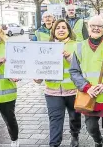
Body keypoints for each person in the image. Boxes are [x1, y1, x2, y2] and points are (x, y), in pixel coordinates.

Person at [70, 15, 103, 147]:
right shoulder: (80, 47)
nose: (96, 28)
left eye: (100, 26)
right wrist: (87, 87)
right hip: (89, 95)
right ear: (88, 27)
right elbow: (74, 71)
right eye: (93, 26)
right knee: (91, 127)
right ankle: (98, 140)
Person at [34, 19, 82, 147]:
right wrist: (37, 77)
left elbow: (83, 66)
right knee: (55, 120)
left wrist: (69, 57)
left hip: (73, 91)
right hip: (53, 92)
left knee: (75, 117)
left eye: (64, 28)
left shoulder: (77, 45)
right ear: (53, 31)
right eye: (58, 28)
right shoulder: (45, 47)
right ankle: (54, 144)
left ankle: (75, 134)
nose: (61, 30)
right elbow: (40, 67)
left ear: (68, 31)